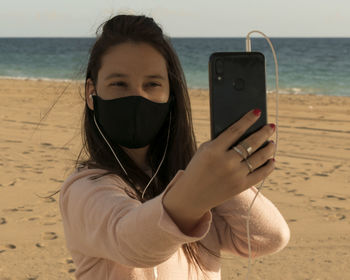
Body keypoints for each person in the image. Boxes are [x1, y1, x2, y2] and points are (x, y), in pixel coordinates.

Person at [59, 14, 290, 280]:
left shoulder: (190, 178)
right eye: (119, 84)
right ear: (92, 93)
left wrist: (217, 173)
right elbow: (133, 242)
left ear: (171, 96)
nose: (138, 96)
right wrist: (197, 191)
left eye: (152, 84)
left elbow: (269, 238)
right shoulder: (85, 188)